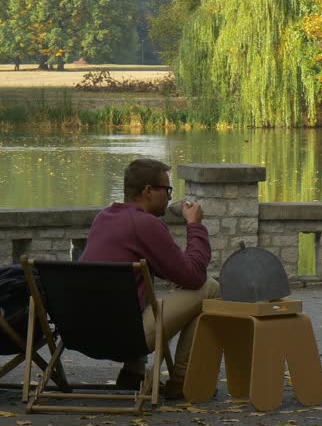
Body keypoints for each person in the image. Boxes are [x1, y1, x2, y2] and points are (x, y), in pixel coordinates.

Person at [80, 158, 219, 399]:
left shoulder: (103, 218)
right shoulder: (145, 224)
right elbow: (195, 276)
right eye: (166, 190)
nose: (168, 196)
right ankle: (183, 381)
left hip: (82, 335)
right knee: (210, 287)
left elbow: (172, 270)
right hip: (125, 339)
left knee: (132, 288)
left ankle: (134, 373)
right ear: (147, 191)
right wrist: (194, 224)